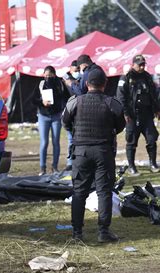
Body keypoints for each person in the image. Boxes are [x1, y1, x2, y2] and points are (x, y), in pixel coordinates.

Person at [62, 69, 126, 242]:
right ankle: (103, 232)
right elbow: (120, 125)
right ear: (104, 84)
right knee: (104, 191)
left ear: (86, 84)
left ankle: (77, 233)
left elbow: (65, 121)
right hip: (103, 151)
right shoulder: (112, 103)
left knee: (79, 192)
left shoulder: (75, 101)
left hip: (81, 151)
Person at [116, 54, 160, 176]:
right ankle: (131, 166)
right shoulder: (126, 77)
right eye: (139, 64)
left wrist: (157, 109)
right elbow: (120, 97)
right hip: (132, 115)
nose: (141, 67)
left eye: (143, 64)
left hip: (146, 114)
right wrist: (125, 113)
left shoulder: (147, 77)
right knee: (131, 141)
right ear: (133, 64)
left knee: (151, 139)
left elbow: (153, 94)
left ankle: (153, 163)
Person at [32, 66, 70, 175]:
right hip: (43, 116)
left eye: (50, 75)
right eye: (46, 75)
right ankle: (42, 168)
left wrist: (63, 109)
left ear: (54, 74)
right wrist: (41, 102)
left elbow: (66, 97)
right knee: (44, 142)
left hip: (56, 116)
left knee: (55, 141)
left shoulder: (59, 84)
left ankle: (55, 167)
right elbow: (33, 100)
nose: (48, 77)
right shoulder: (41, 84)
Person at [63, 60, 81, 171]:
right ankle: (70, 162)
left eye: (78, 70)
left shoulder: (82, 80)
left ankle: (78, 161)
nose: (77, 72)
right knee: (70, 139)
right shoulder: (64, 80)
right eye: (75, 70)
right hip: (69, 112)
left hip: (80, 112)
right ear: (70, 68)